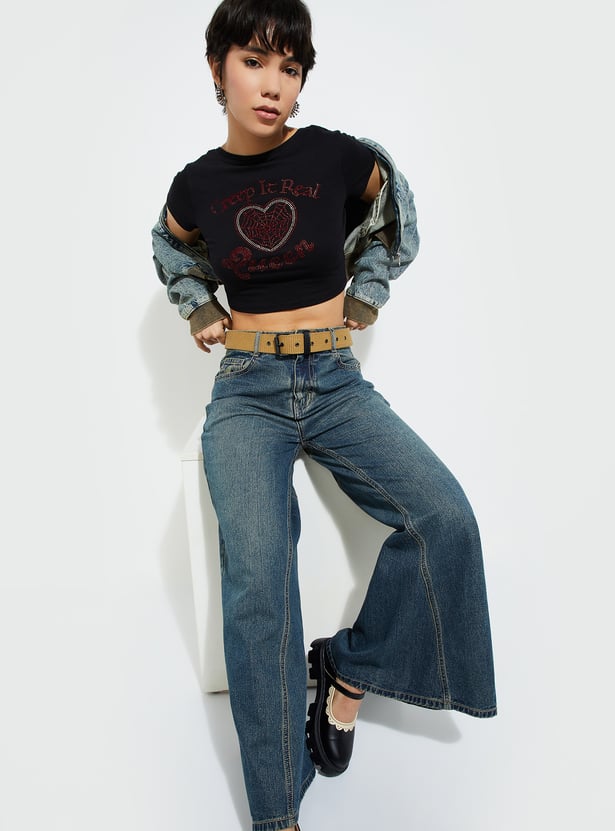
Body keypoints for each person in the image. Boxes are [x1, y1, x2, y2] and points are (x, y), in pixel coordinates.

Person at [151, 1, 497, 829]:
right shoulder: (197, 183)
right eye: (253, 61)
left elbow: (393, 213)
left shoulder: (335, 155)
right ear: (216, 69)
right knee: (258, 585)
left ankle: (348, 668)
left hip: (335, 380)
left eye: (290, 66)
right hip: (247, 391)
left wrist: (368, 290)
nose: (272, 84)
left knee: (443, 519)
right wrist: (198, 303)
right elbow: (169, 246)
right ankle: (278, 815)